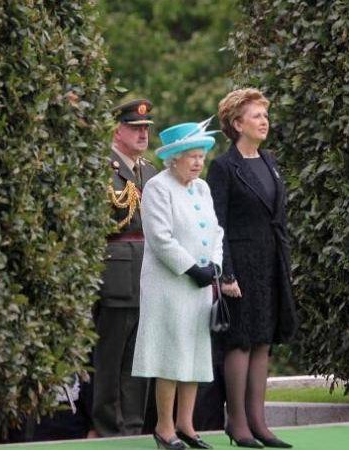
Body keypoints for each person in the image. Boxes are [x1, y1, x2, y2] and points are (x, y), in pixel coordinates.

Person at [207, 88, 298, 448]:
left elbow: (278, 220)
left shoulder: (270, 162)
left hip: (270, 264)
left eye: (265, 115)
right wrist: (226, 274)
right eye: (256, 115)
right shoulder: (223, 167)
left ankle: (259, 422)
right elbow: (218, 225)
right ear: (236, 123)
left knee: (263, 341)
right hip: (240, 267)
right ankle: (238, 423)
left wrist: (285, 266)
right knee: (240, 342)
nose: (264, 121)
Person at [132, 118, 224, 450]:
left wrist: (214, 264)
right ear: (175, 158)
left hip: (198, 288)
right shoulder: (158, 187)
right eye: (193, 156)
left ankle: (187, 426)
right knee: (170, 358)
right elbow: (159, 238)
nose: (199, 162)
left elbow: (216, 231)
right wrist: (190, 268)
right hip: (169, 288)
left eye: (202, 156)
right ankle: (164, 428)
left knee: (195, 358)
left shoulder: (202, 188)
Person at [92, 98, 158, 437]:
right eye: (135, 128)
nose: (142, 134)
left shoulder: (149, 171)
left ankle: (133, 428)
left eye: (145, 128)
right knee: (110, 359)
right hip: (115, 275)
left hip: (146, 275)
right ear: (118, 130)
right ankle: (106, 429)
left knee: (138, 360)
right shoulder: (102, 169)